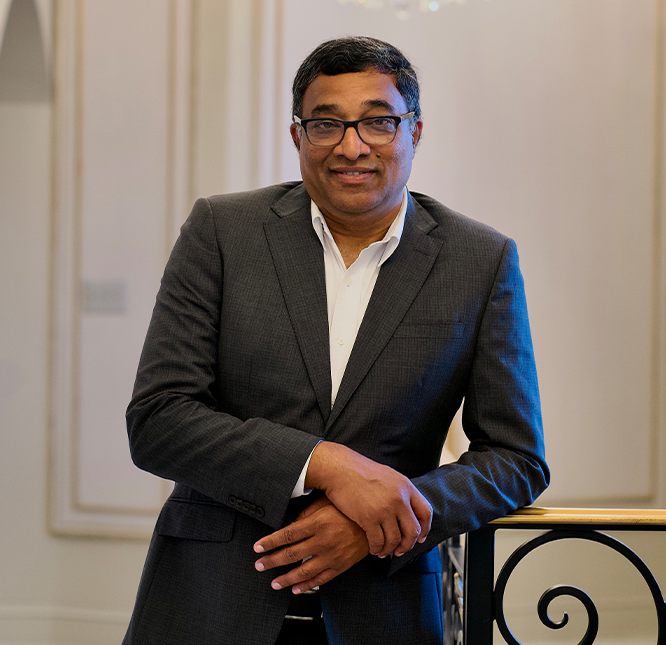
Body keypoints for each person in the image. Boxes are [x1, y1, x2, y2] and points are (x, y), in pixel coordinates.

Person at [122, 36, 548, 645]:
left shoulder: (480, 260)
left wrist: (381, 520)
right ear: (297, 136)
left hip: (387, 610)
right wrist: (326, 465)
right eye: (326, 124)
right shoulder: (221, 231)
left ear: (414, 131)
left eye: (378, 122)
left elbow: (516, 459)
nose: (352, 146)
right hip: (208, 606)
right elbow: (158, 419)